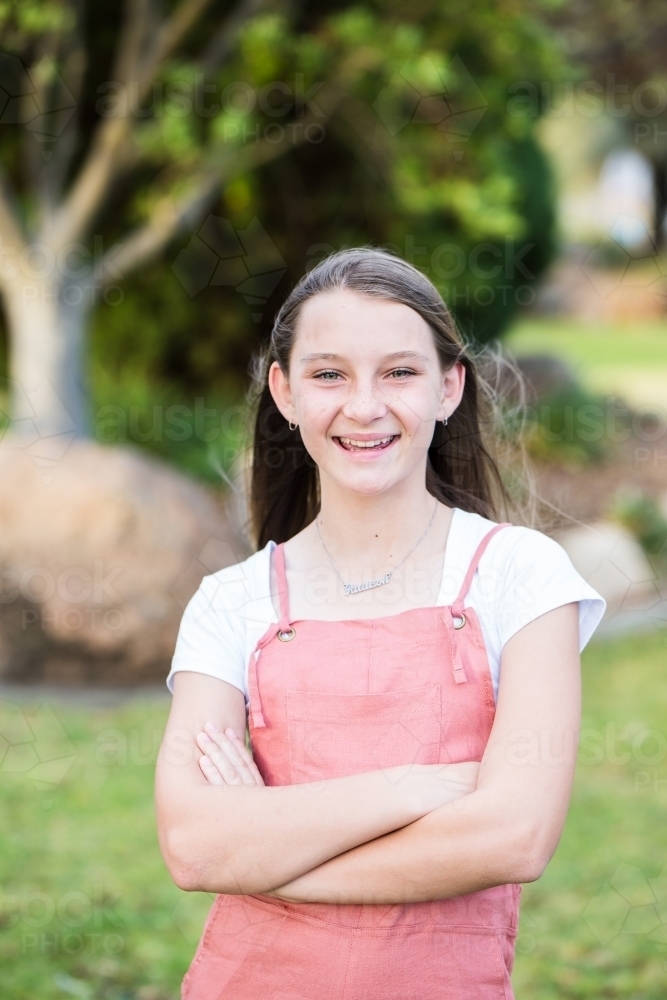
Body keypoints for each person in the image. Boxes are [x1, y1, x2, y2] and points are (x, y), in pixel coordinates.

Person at [155, 247, 606, 1000]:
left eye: (398, 372)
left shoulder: (520, 576)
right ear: (285, 391)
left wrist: (268, 850)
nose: (363, 406)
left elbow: (514, 836)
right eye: (328, 374)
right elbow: (196, 847)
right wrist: (415, 786)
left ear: (448, 387)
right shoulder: (230, 602)